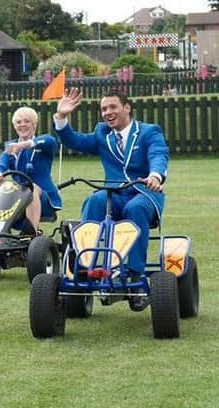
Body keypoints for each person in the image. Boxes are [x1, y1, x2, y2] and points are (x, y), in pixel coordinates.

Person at [53, 88, 169, 307]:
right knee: (93, 200)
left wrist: (155, 175)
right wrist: (61, 116)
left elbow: (158, 154)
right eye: (104, 109)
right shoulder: (102, 133)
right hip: (114, 194)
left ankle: (134, 274)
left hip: (144, 191)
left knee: (135, 208)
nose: (107, 112)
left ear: (127, 108)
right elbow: (75, 140)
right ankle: (84, 264)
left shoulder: (148, 131)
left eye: (112, 107)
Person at [0, 106, 62, 269]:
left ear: (34, 124)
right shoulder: (10, 147)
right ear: (14, 126)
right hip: (16, 200)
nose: (23, 125)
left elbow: (50, 141)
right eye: (19, 122)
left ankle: (31, 234)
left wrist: (24, 145)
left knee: (31, 187)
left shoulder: (42, 143)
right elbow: (1, 164)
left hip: (44, 198)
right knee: (2, 189)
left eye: (27, 121)